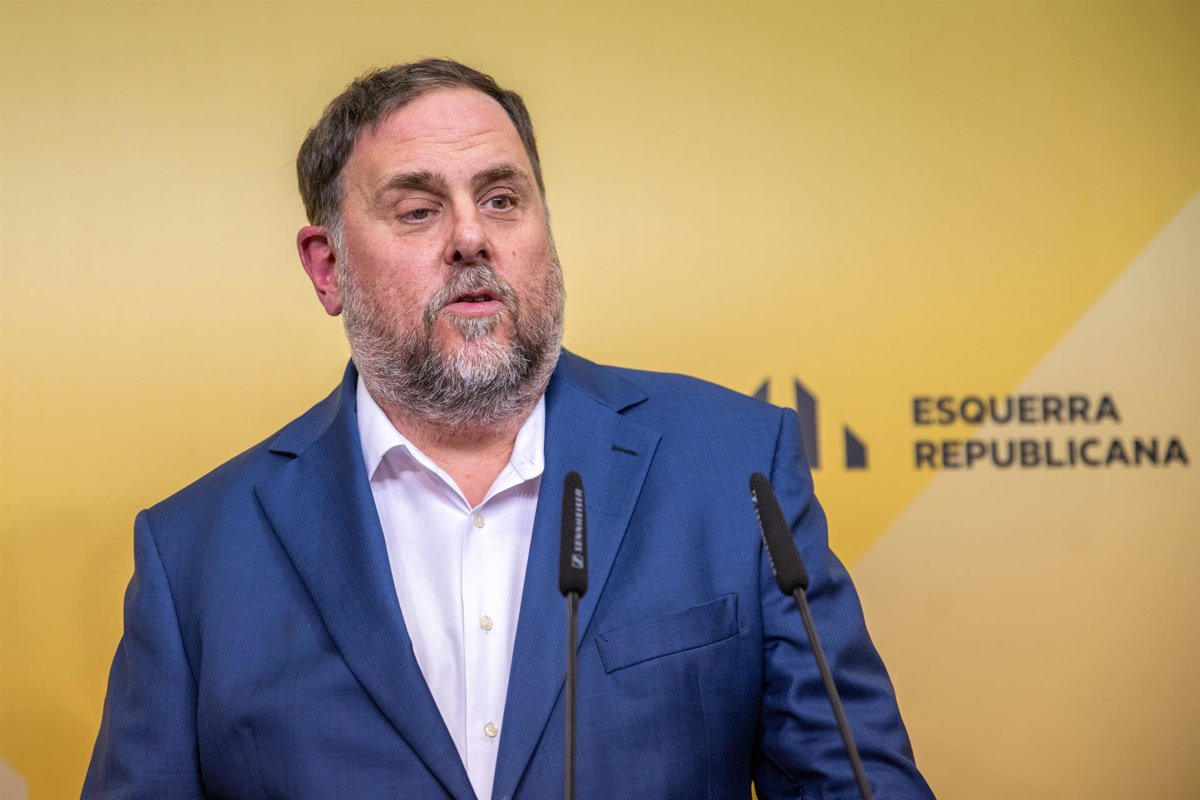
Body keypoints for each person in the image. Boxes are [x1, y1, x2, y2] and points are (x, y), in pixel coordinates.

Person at [84, 59, 934, 799]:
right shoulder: (196, 555)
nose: (470, 237)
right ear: (328, 266)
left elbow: (853, 783)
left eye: (501, 199)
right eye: (417, 210)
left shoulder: (733, 469)